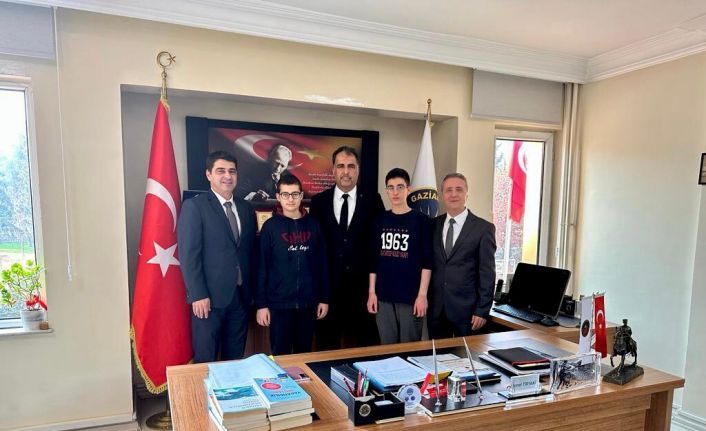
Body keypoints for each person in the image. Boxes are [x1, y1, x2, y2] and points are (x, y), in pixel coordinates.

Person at [177, 151, 257, 363]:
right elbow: (188, 255)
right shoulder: (195, 207)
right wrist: (197, 294)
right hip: (208, 301)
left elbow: (250, 252)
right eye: (221, 171)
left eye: (232, 171)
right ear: (208, 174)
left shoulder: (246, 208)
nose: (227, 176)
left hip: (240, 298)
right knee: (206, 360)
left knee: (235, 361)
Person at [309, 146, 385, 349]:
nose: (346, 171)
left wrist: (374, 288)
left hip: (363, 292)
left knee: (366, 349)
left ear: (358, 170)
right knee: (326, 348)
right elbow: (314, 249)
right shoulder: (318, 202)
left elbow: (378, 246)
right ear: (333, 170)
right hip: (328, 291)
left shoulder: (373, 201)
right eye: (341, 166)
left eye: (351, 166)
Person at [255, 174, 330, 354]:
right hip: (279, 305)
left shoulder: (314, 225)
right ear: (278, 196)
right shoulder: (270, 227)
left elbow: (323, 263)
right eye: (286, 194)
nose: (290, 199)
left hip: (308, 304)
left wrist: (324, 298)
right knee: (280, 355)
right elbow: (261, 267)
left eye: (295, 194)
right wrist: (261, 305)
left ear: (301, 195)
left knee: (303, 354)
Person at [367, 168, 432, 344]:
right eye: (391, 187)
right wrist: (372, 292)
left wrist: (422, 295)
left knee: (408, 349)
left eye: (400, 187)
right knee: (387, 349)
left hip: (410, 297)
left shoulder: (422, 221)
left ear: (408, 189)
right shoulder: (379, 220)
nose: (395, 192)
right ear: (386, 191)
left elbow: (427, 262)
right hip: (383, 297)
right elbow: (373, 260)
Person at [428, 173, 497, 338]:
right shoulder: (432, 225)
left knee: (467, 355)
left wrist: (482, 310)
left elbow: (487, 273)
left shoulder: (483, 228)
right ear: (442, 195)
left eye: (459, 189)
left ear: (467, 193)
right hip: (436, 309)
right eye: (448, 190)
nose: (453, 194)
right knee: (438, 354)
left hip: (468, 312)